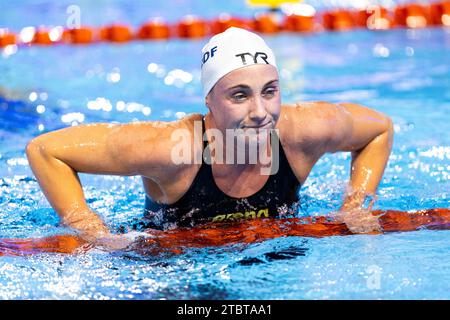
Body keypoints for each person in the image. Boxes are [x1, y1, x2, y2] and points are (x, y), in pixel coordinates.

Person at [25, 27, 393, 250]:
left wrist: (356, 205)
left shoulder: (304, 132)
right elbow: (45, 150)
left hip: (280, 254)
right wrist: (90, 229)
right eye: (239, 95)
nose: (260, 111)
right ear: (208, 101)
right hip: (178, 262)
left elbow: (379, 129)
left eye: (269, 91)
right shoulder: (170, 148)